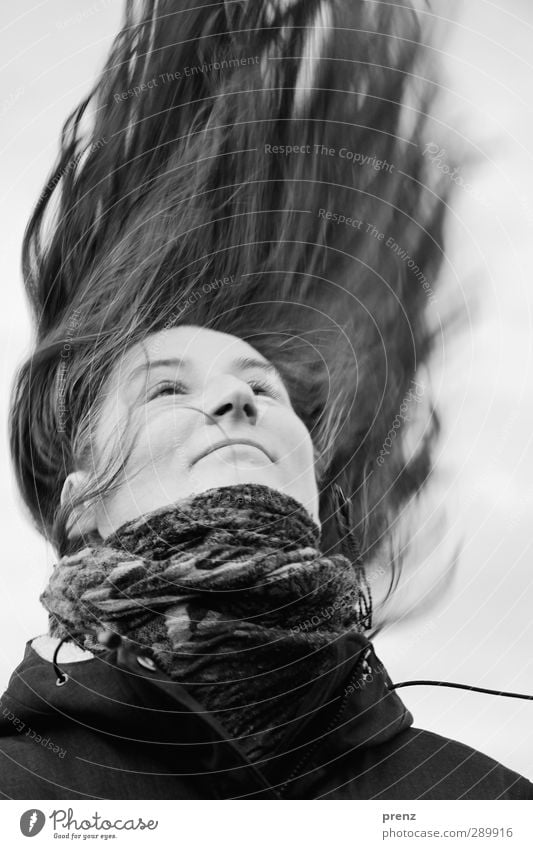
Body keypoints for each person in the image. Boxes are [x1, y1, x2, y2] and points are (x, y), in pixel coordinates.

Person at [1, 0, 532, 799]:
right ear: (81, 508)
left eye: (261, 386)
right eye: (167, 388)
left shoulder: (477, 801)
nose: (236, 403)